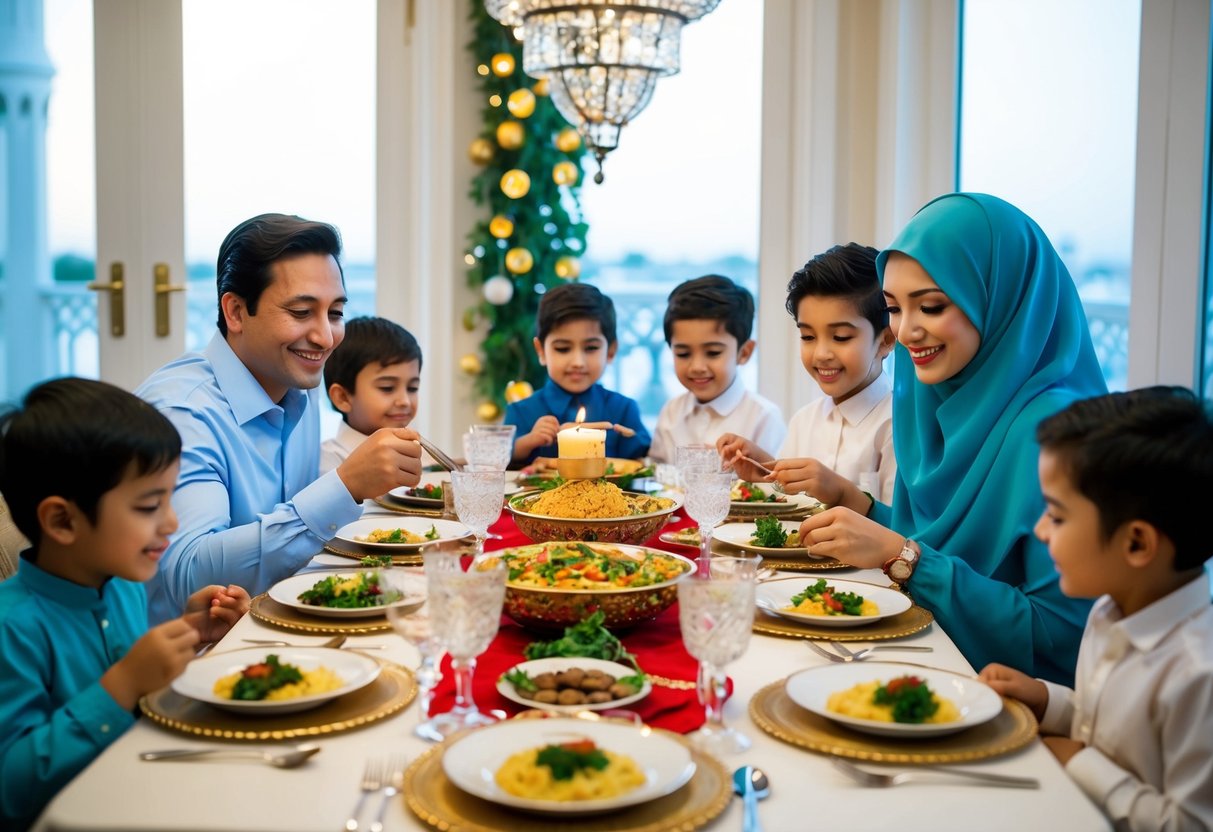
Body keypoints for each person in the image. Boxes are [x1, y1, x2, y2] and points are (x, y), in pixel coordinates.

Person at [797, 193, 1107, 685]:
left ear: (999, 295)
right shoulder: (934, 400)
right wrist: (854, 501)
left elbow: (1064, 637)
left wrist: (903, 559)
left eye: (933, 306)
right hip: (928, 663)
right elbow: (941, 543)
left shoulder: (1059, 433)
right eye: (894, 308)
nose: (907, 332)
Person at [136, 213, 423, 623]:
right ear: (235, 311)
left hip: (271, 622)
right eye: (302, 312)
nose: (326, 337)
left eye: (336, 313)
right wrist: (344, 486)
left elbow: (296, 545)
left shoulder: (294, 389)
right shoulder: (182, 413)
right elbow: (186, 576)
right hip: (188, 661)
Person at [0, 378, 249, 828]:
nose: (172, 522)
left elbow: (144, 676)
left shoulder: (122, 586)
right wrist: (122, 686)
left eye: (170, 498)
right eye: (149, 506)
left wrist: (194, 630)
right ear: (62, 520)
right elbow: (10, 789)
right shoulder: (12, 628)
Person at [980, 386, 1213, 831]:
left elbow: (1189, 824)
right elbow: (1107, 724)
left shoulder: (1198, 674)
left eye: (1058, 516)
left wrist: (1081, 763)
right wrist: (1047, 700)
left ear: (1136, 543)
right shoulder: (1111, 610)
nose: (1041, 530)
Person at [719, 244, 896, 502]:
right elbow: (791, 503)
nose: (821, 353)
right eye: (808, 336)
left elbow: (901, 529)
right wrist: (765, 469)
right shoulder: (804, 420)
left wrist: (841, 492)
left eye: (841, 337)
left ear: (886, 340)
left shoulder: (895, 426)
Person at [505, 282, 651, 465]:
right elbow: (500, 461)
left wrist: (630, 436)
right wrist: (529, 441)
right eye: (563, 349)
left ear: (611, 351)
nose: (577, 362)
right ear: (541, 351)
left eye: (591, 348)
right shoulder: (521, 411)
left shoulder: (623, 409)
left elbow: (642, 459)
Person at [648, 275, 784, 464]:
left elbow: (775, 485)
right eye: (683, 354)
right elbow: (656, 474)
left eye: (713, 353)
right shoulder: (671, 412)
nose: (697, 367)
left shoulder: (763, 417)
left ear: (744, 353)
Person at [319, 316, 423, 474]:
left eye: (412, 388)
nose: (405, 401)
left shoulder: (420, 453)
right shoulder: (331, 461)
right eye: (387, 388)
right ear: (343, 397)